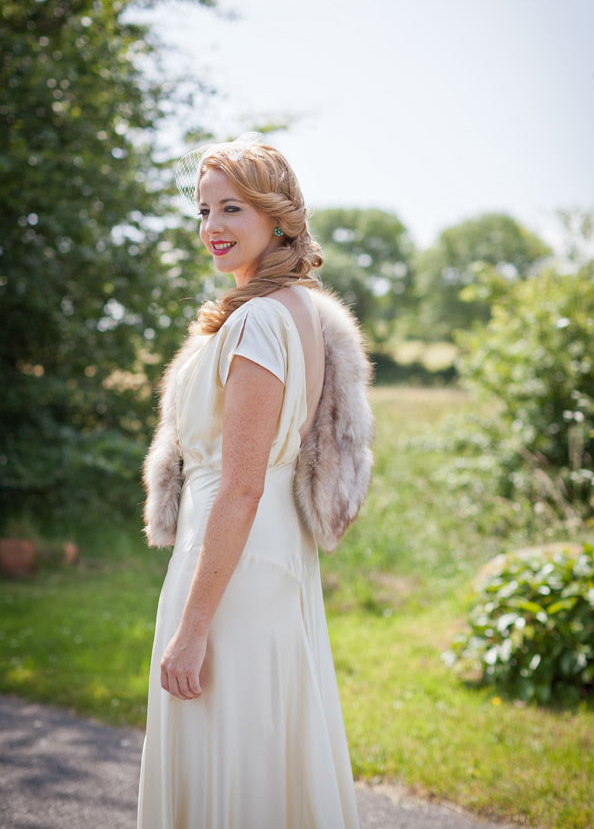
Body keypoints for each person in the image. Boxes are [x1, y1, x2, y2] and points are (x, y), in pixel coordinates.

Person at [137, 133, 373, 829]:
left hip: (231, 556)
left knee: (231, 746)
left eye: (231, 209)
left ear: (277, 215)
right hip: (264, 552)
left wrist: (193, 627)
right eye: (203, 211)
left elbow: (241, 486)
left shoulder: (260, 321)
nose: (211, 227)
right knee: (262, 742)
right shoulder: (296, 309)